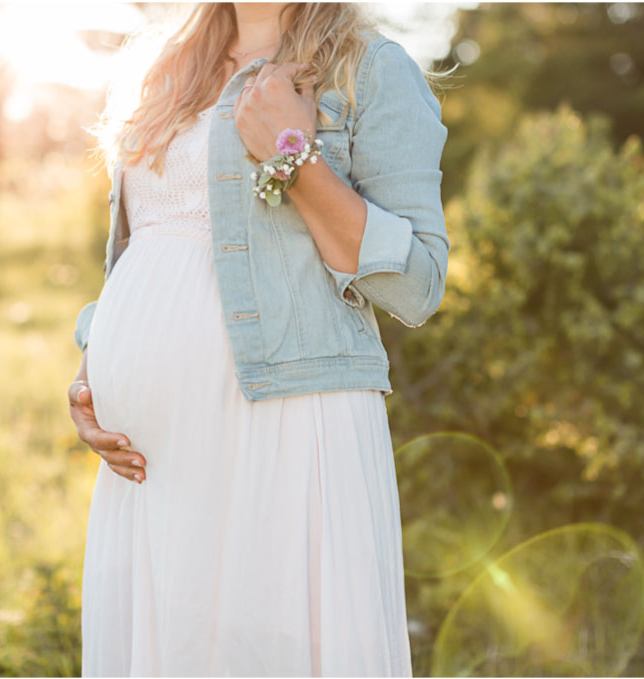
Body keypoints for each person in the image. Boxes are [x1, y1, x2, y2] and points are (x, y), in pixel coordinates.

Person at [67, 2, 449, 676]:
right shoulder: (161, 65)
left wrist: (292, 156)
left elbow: (417, 285)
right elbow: (144, 243)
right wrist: (95, 365)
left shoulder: (370, 69)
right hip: (151, 457)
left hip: (284, 422)